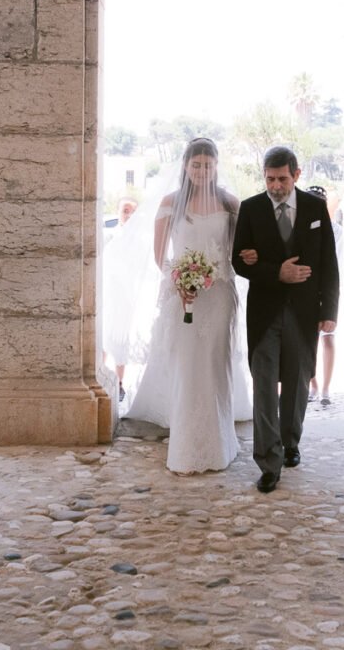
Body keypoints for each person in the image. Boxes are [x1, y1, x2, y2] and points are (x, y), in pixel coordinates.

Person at [125, 137, 243, 474]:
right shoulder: (170, 203)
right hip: (183, 295)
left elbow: (241, 249)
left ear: (216, 166)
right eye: (196, 165)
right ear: (185, 166)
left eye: (208, 165)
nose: (202, 171)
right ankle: (188, 447)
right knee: (189, 368)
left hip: (219, 293)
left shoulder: (231, 204)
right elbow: (161, 256)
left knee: (214, 365)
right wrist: (180, 281)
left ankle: (220, 445)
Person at [232, 146, 340, 493]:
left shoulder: (314, 208)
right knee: (264, 386)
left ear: (296, 174)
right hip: (264, 314)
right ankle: (267, 461)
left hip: (304, 311)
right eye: (269, 179)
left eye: (281, 178)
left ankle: (290, 442)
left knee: (297, 381)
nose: (275, 186)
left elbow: (328, 262)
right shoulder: (250, 209)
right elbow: (238, 261)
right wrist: (276, 272)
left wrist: (329, 312)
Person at [305, 185, 343, 407]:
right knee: (308, 340)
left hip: (328, 288)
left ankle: (326, 387)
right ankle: (313, 384)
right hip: (308, 290)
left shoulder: (335, 230)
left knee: (328, 337)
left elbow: (336, 262)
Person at [101, 197, 139, 400]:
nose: (129, 215)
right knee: (103, 335)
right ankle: (99, 375)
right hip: (108, 292)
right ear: (118, 212)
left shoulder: (140, 240)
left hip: (126, 295)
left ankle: (120, 382)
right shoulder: (109, 236)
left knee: (120, 336)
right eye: (125, 210)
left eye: (133, 211)